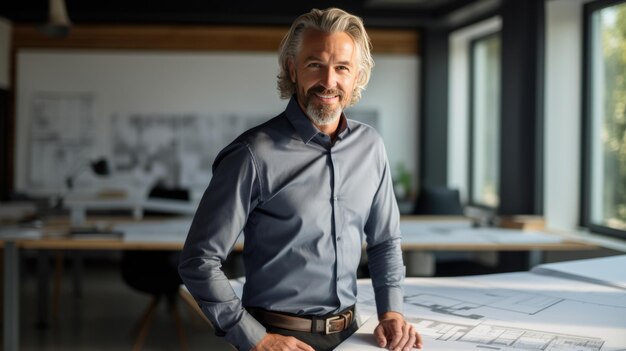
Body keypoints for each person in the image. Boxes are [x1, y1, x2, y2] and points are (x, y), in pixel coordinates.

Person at [179, 7, 423, 351]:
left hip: (353, 335)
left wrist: (392, 313)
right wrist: (255, 339)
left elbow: (384, 242)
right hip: (276, 337)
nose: (329, 81)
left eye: (342, 68)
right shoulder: (252, 154)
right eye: (315, 65)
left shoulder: (371, 146)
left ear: (357, 77)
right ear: (292, 70)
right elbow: (198, 260)